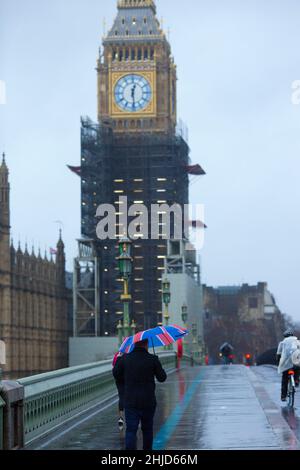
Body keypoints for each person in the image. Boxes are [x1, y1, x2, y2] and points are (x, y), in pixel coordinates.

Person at [113, 339, 167, 451]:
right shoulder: (152, 359)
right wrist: (157, 363)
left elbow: (116, 374)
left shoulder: (125, 359)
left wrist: (119, 358)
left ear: (134, 344)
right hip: (148, 401)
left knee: (131, 430)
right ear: (146, 344)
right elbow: (162, 378)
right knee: (147, 430)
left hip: (131, 401)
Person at [277, 329, 300, 402]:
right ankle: (296, 380)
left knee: (284, 379)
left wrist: (279, 363)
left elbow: (278, 354)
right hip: (295, 360)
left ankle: (283, 396)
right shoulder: (297, 341)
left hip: (286, 362)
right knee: (297, 368)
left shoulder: (282, 343)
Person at [112, 352, 125, 430]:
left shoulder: (117, 354)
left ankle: (121, 417)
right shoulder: (130, 354)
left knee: (121, 396)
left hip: (119, 379)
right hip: (127, 378)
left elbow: (113, 365)